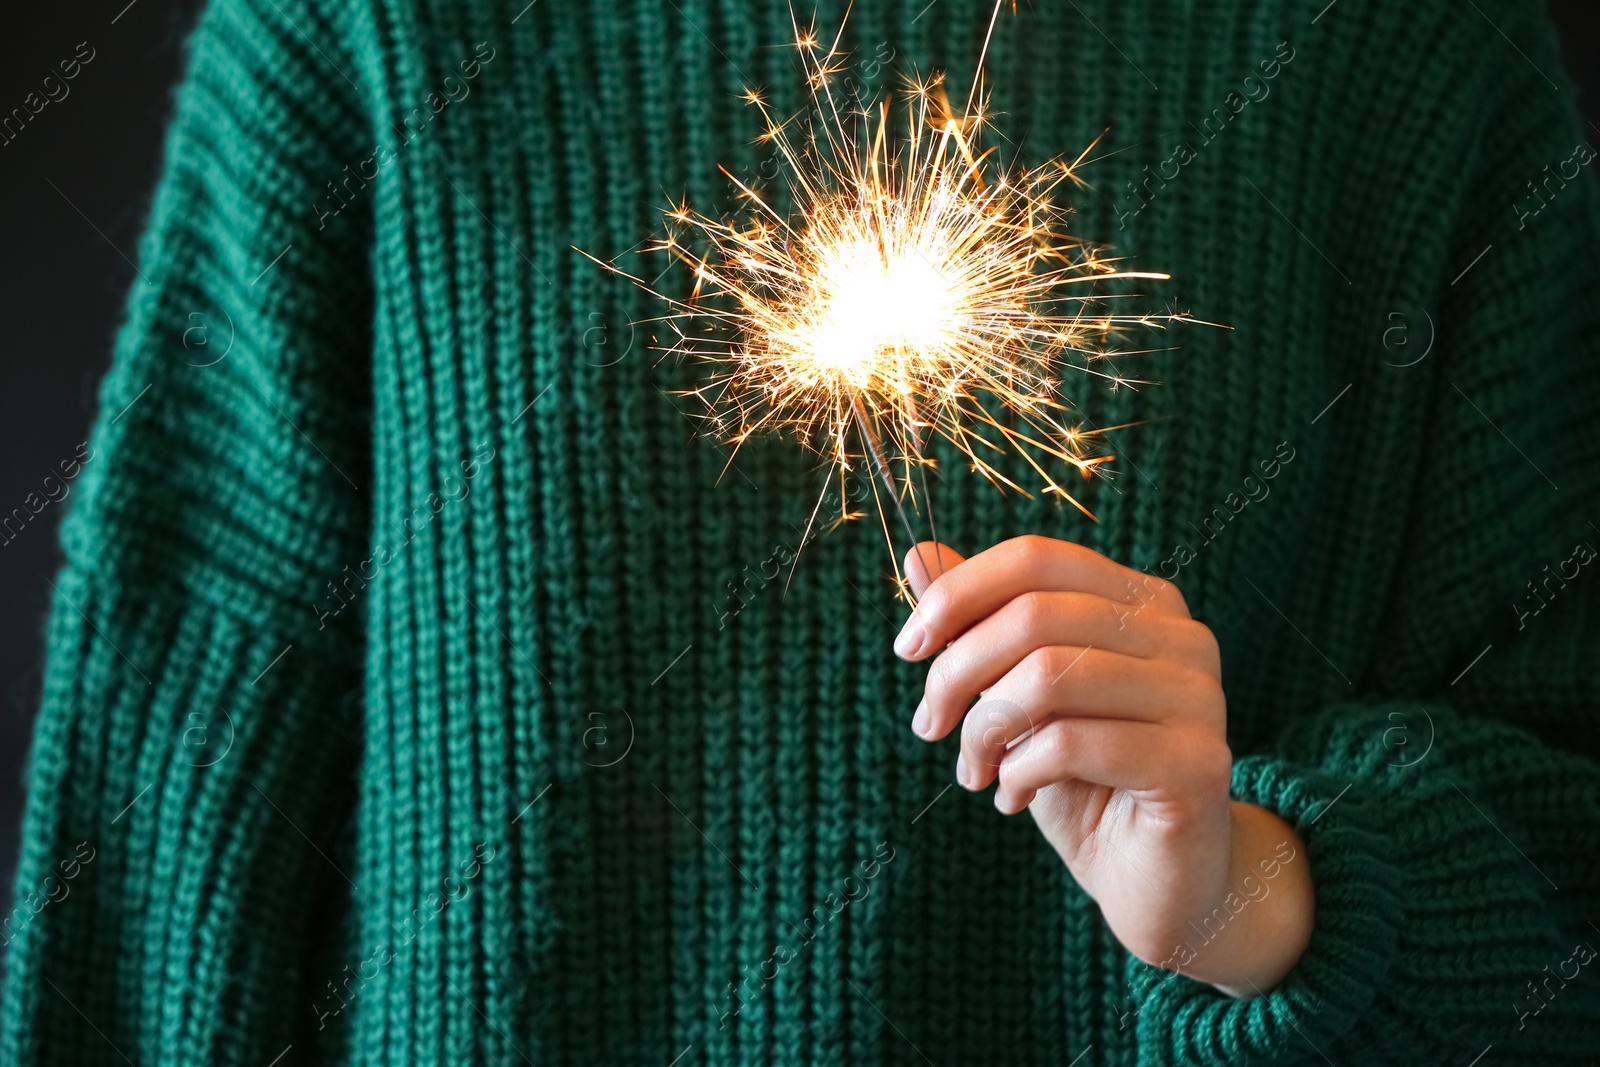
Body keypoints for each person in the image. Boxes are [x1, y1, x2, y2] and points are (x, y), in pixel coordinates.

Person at [5, 0, 1598, 1063]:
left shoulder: (1401, 53)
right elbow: (160, 845)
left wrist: (1260, 892)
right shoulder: (361, 36)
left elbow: (1562, 868)